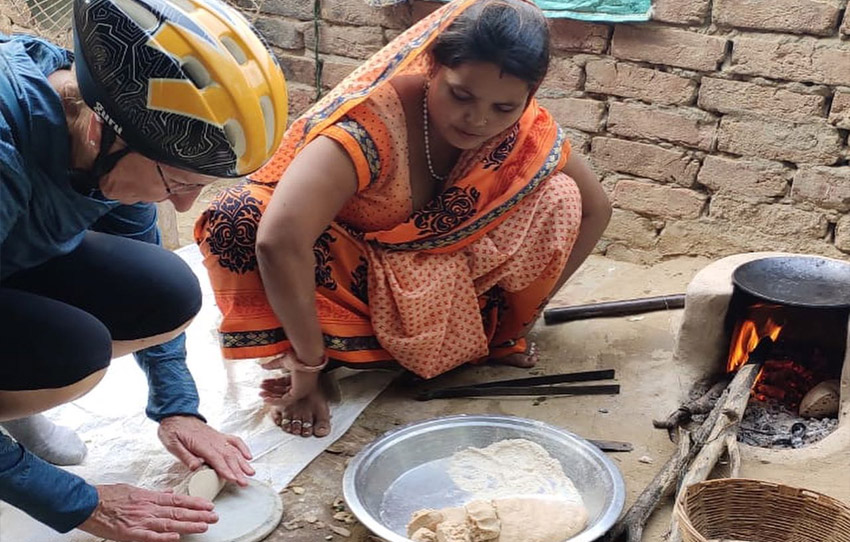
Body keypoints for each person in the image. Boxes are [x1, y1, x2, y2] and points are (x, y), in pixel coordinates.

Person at [195, 0, 611, 439]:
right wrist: (309, 370)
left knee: (559, 195)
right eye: (461, 95)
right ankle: (326, 351)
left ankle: (482, 341)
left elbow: (596, 209)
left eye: (504, 107)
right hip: (348, 280)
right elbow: (278, 241)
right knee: (238, 218)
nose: (478, 119)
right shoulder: (370, 126)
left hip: (443, 284)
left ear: (528, 96)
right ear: (432, 64)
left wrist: (518, 325)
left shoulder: (524, 129)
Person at [0, 0, 288, 538]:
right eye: (176, 182)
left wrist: (178, 408)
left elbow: (140, 243)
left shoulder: (113, 123)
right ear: (99, 134)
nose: (183, 206)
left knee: (164, 292)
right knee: (72, 354)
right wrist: (74, 502)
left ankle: (14, 398)